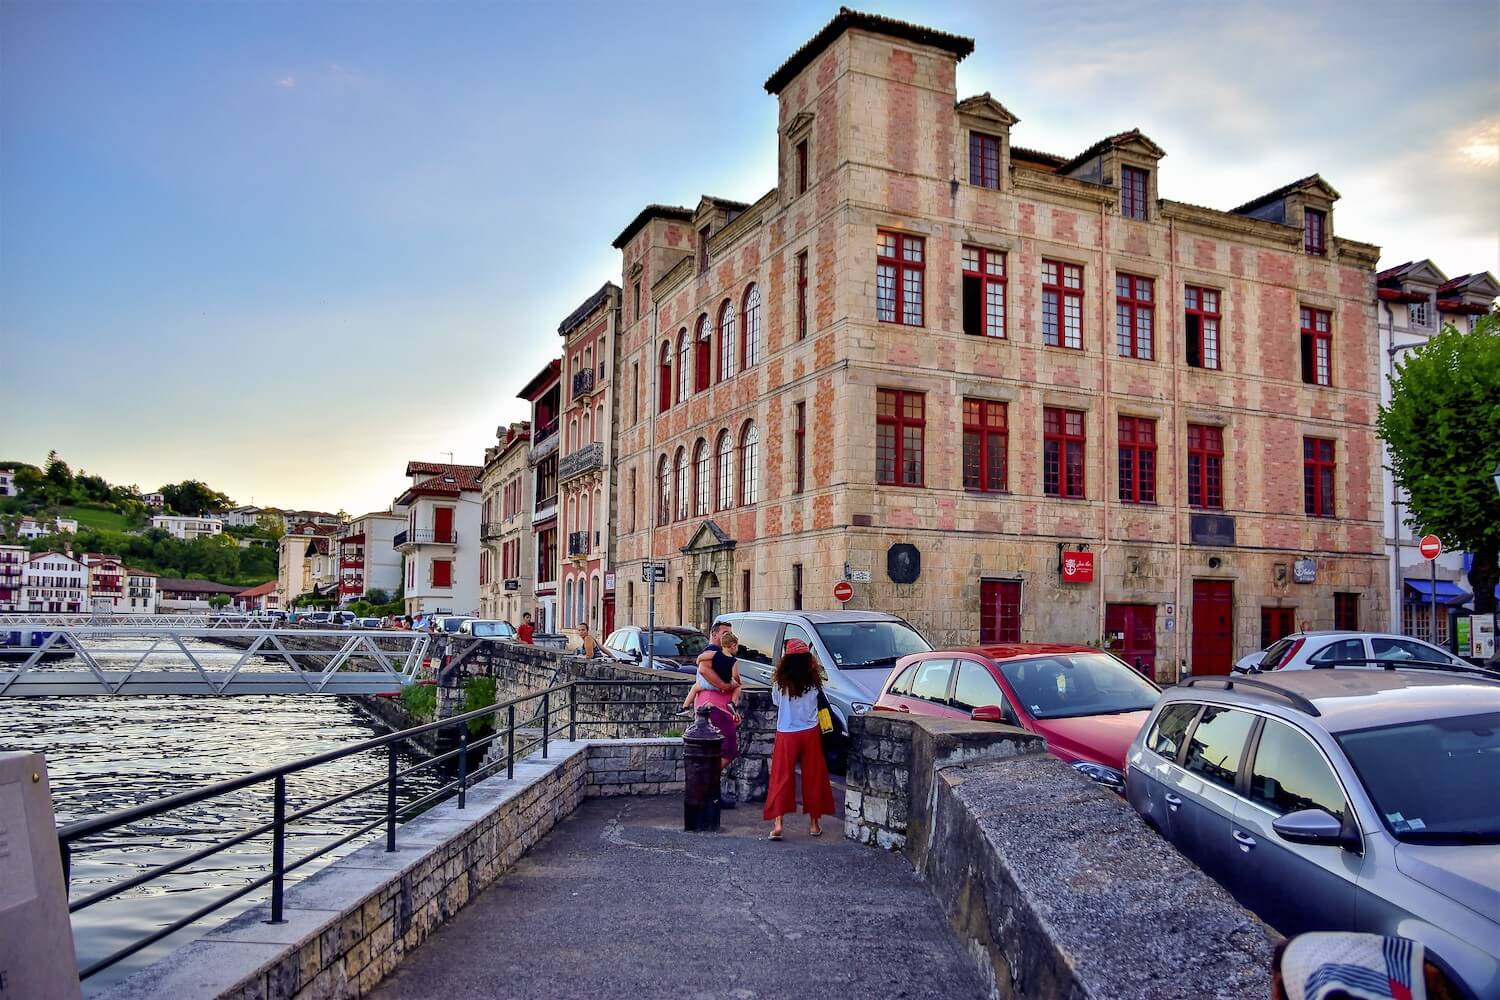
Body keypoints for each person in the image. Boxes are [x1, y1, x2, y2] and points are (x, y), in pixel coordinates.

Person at [763, 638, 836, 840]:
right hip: (810, 731)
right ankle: (814, 824)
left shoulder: (780, 683)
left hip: (786, 732)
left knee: (781, 777)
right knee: (814, 777)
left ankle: (778, 823)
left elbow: (776, 702)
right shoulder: (814, 682)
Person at [692, 630, 742, 778]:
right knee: (729, 750)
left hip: (718, 708)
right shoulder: (724, 657)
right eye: (724, 632)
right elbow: (703, 668)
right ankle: (706, 778)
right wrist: (726, 685)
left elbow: (699, 661)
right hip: (715, 708)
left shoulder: (714, 655)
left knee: (717, 750)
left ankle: (706, 780)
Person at [680, 620, 730, 712]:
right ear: (714, 635)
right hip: (709, 701)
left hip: (713, 701)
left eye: (730, 634)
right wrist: (721, 684)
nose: (728, 636)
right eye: (725, 633)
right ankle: (685, 706)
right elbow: (703, 669)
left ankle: (685, 707)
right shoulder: (712, 651)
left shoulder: (721, 652)